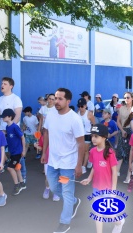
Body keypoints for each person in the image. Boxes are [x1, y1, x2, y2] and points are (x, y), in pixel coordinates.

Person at [41, 88, 85, 233]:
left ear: (68, 101)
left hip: (68, 163)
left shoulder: (75, 119)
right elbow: (46, 132)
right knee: (53, 188)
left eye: (60, 99)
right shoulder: (52, 113)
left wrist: (79, 165)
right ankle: (74, 201)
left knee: (66, 191)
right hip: (52, 161)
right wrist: (44, 152)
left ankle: (64, 223)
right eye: (55, 98)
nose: (56, 101)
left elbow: (81, 143)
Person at [80, 124, 124, 233]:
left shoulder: (109, 153)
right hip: (96, 187)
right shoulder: (93, 151)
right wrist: (89, 179)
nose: (93, 138)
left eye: (96, 136)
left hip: (108, 188)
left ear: (104, 137)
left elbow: (114, 172)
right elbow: (94, 167)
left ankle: (119, 222)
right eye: (92, 136)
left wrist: (113, 190)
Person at [0, 109, 27, 196]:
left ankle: (17, 185)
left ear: (9, 117)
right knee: (16, 168)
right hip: (13, 152)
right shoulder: (7, 127)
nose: (3, 118)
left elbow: (22, 138)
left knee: (10, 168)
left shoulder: (15, 127)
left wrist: (23, 150)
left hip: (18, 152)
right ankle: (22, 183)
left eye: (4, 116)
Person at [34, 134, 60, 202]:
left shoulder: (59, 134)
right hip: (47, 160)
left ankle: (56, 192)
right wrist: (36, 145)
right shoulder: (43, 137)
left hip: (57, 160)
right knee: (47, 178)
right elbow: (41, 148)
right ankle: (47, 188)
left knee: (56, 177)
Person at [116, 92, 133, 176]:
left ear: (132, 98)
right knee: (120, 151)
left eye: (128, 97)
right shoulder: (121, 108)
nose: (126, 99)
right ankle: (117, 171)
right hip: (122, 131)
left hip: (132, 131)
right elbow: (118, 121)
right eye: (125, 97)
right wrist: (122, 131)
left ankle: (129, 175)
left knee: (131, 152)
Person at [77, 97, 95, 172]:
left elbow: (94, 124)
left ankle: (83, 166)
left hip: (87, 134)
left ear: (85, 106)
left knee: (85, 150)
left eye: (82, 106)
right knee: (79, 150)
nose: (80, 108)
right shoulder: (77, 113)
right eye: (79, 106)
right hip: (79, 134)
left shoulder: (89, 114)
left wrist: (93, 134)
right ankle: (80, 164)